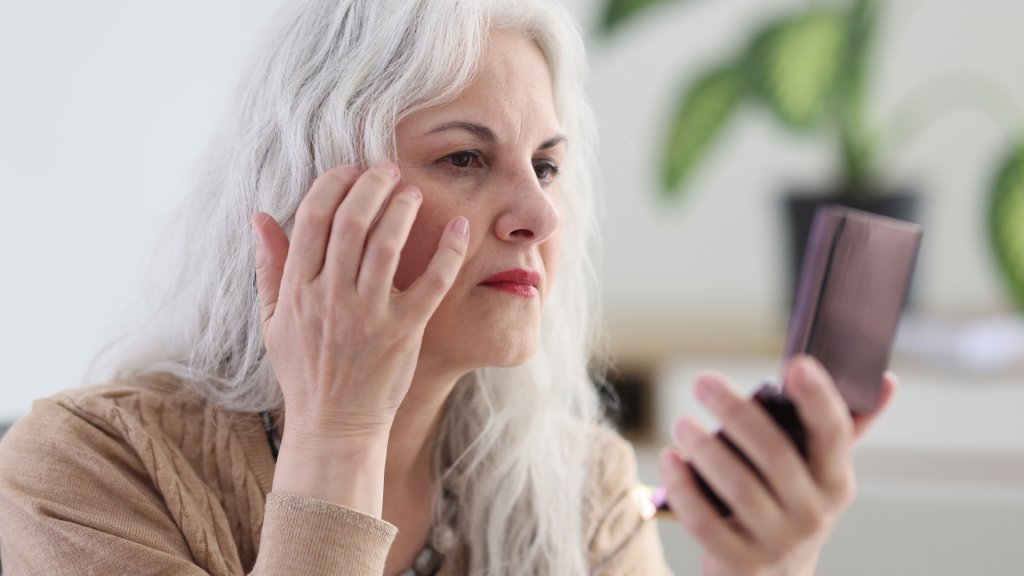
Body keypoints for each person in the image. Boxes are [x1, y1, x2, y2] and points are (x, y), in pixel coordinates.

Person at [0, 0, 897, 574]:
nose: (539, 219)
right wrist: (341, 429)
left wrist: (769, 568)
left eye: (546, 167)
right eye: (465, 157)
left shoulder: (581, 497)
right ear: (310, 191)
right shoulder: (84, 472)